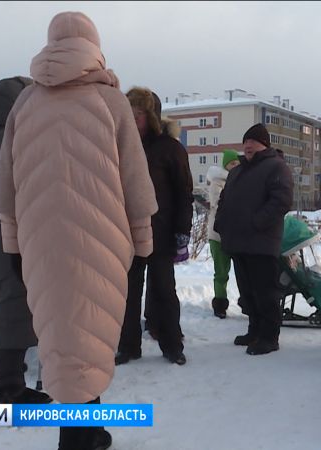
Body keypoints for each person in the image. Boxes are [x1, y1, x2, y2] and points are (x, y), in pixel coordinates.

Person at [0, 12, 157, 450]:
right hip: (102, 239)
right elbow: (136, 182)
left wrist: (12, 241)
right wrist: (143, 238)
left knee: (61, 335)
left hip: (39, 241)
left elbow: (4, 185)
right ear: (94, 45)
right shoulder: (111, 101)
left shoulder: (25, 104)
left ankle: (85, 430)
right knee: (91, 333)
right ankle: (78, 437)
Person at [0, 76, 52, 406]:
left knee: (6, 300)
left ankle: (11, 376)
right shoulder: (22, 141)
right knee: (16, 304)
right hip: (20, 235)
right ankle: (7, 388)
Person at [116, 87, 193, 366]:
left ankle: (172, 344)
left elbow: (184, 192)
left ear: (151, 116)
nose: (133, 120)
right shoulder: (121, 146)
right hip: (128, 232)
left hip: (161, 232)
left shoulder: (170, 149)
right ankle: (128, 346)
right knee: (129, 292)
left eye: (137, 115)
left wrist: (182, 230)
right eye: (129, 114)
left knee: (163, 290)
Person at [214, 123, 293, 355]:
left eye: (253, 142)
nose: (248, 145)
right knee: (247, 291)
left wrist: (257, 222)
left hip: (261, 242)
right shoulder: (238, 170)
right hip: (238, 241)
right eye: (245, 142)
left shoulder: (276, 167)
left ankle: (269, 336)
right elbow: (224, 200)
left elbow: (281, 201)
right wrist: (221, 223)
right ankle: (254, 330)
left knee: (264, 292)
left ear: (264, 144)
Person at [206, 149, 241, 319]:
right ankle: (220, 303)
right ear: (226, 165)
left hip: (237, 235)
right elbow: (218, 204)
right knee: (221, 272)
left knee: (243, 272)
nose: (235, 166)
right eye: (232, 163)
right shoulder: (217, 182)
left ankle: (247, 302)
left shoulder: (241, 181)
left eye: (237, 163)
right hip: (218, 235)